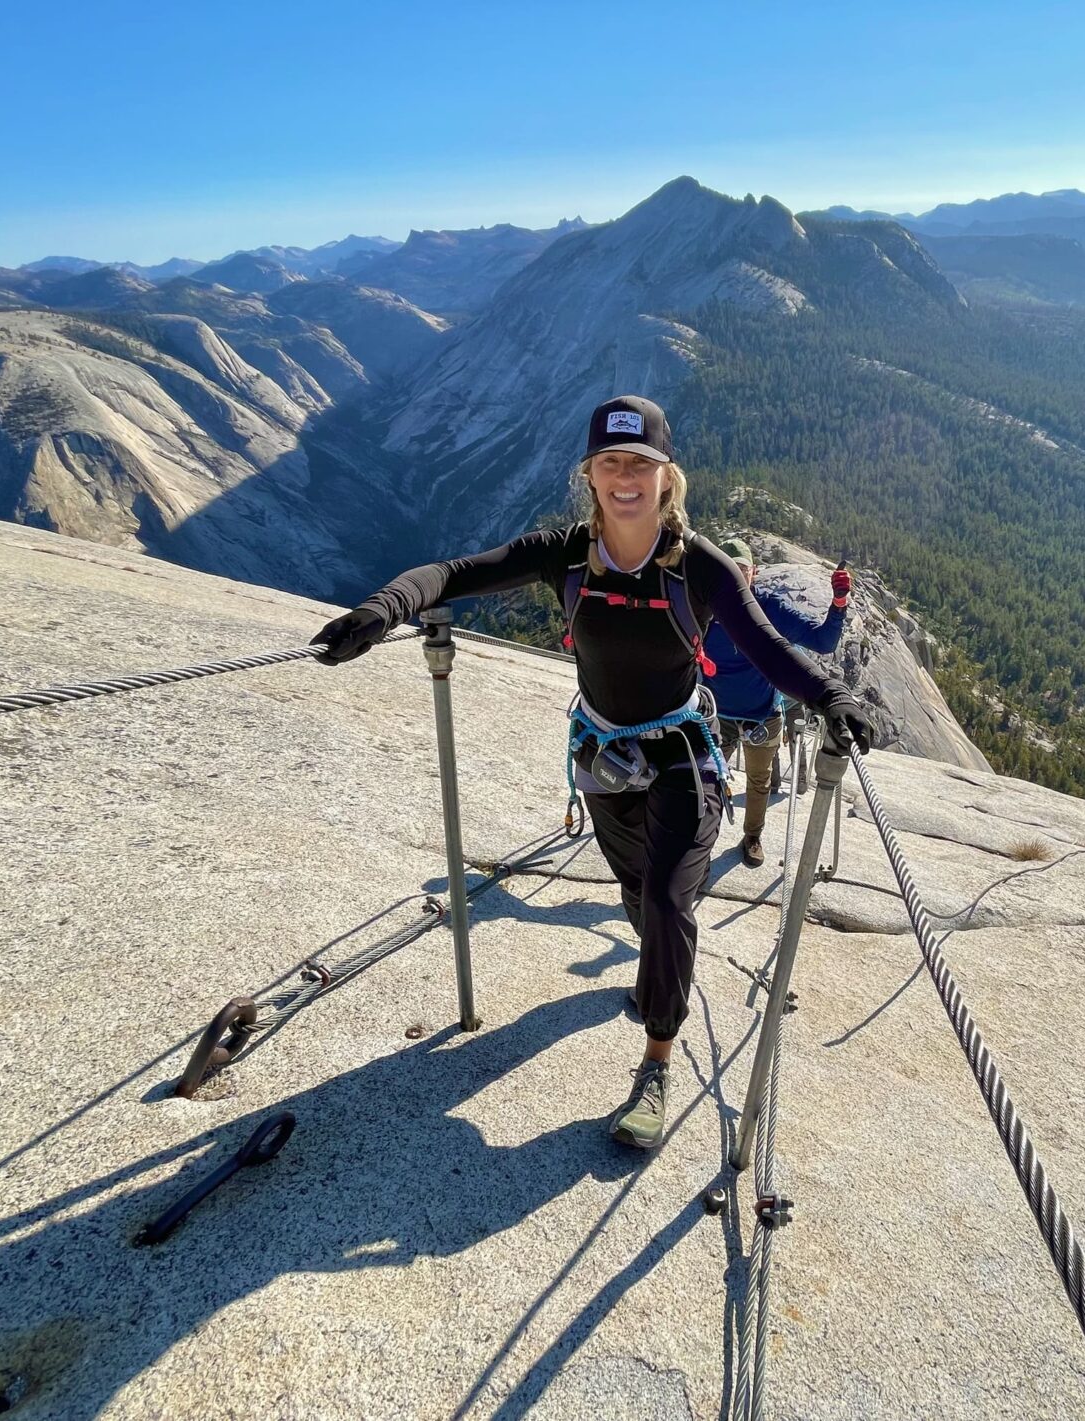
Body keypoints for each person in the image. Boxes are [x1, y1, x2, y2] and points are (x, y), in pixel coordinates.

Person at [310, 394, 872, 1151]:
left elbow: (768, 647)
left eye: (640, 462)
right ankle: (656, 972)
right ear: (590, 474)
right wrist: (382, 610)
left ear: (667, 476)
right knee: (639, 897)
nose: (625, 476)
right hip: (603, 761)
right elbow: (452, 573)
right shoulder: (566, 553)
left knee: (670, 899)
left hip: (681, 757)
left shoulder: (697, 568)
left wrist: (831, 694)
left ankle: (656, 1060)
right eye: (610, 462)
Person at [705, 537, 852, 867]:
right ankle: (701, 844)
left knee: (758, 782)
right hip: (716, 715)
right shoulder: (703, 607)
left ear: (753, 573)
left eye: (740, 570)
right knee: (706, 781)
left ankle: (752, 837)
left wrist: (838, 603)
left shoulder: (769, 607)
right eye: (726, 569)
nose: (734, 576)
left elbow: (823, 641)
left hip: (763, 714)